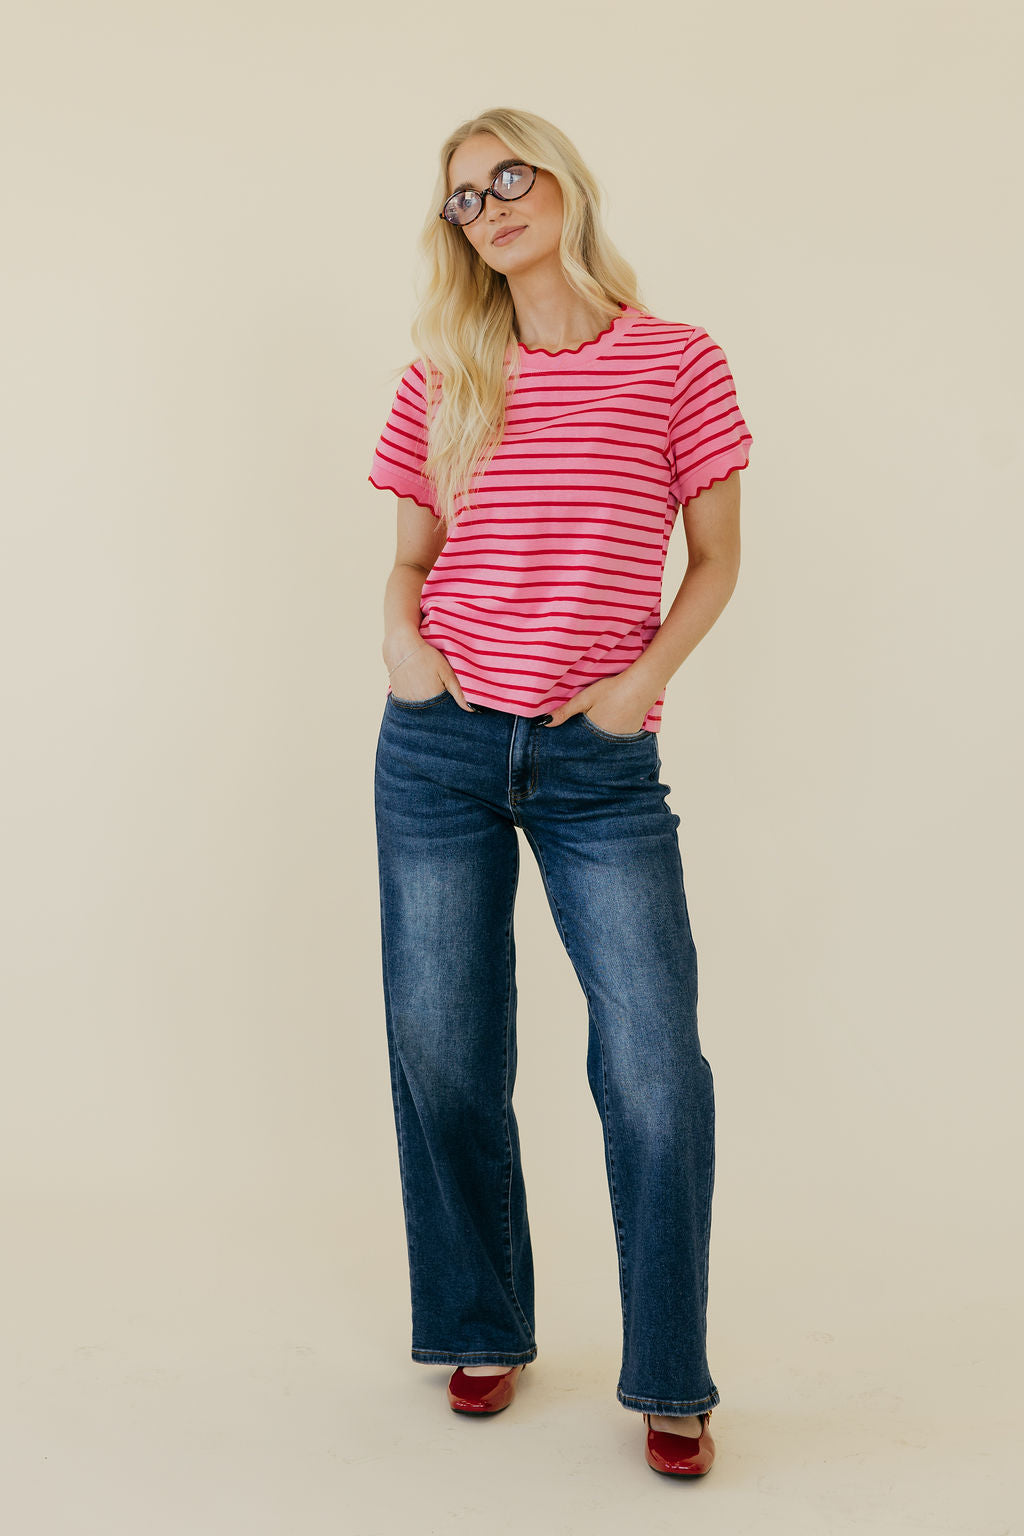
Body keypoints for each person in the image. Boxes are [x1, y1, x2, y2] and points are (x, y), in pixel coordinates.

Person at [367, 107, 753, 1478]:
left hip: (598, 764)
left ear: (565, 183)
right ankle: (481, 1319)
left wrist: (641, 683)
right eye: (465, 199)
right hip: (440, 749)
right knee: (443, 1047)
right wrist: (404, 647)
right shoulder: (445, 369)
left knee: (653, 1065)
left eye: (509, 178)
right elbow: (411, 560)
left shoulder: (677, 362)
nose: (491, 209)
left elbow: (716, 556)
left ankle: (671, 1372)